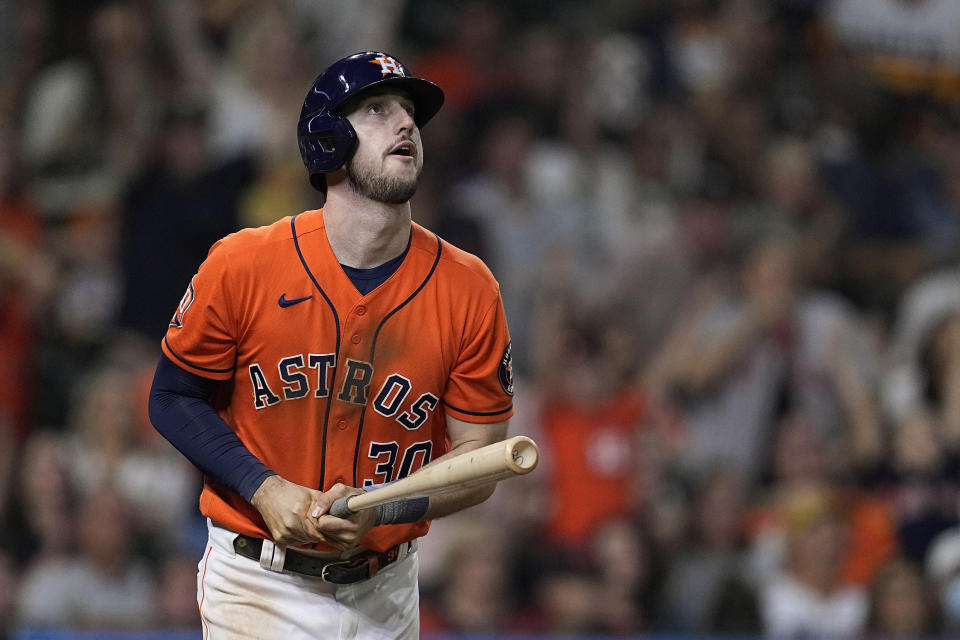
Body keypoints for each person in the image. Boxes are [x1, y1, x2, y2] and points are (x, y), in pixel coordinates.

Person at [148, 51, 514, 639]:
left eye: (411, 115)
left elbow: (479, 462)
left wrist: (384, 508)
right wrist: (263, 488)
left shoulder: (469, 288)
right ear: (327, 141)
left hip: (387, 589)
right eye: (377, 110)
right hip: (259, 581)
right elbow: (171, 397)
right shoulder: (244, 264)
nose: (406, 125)